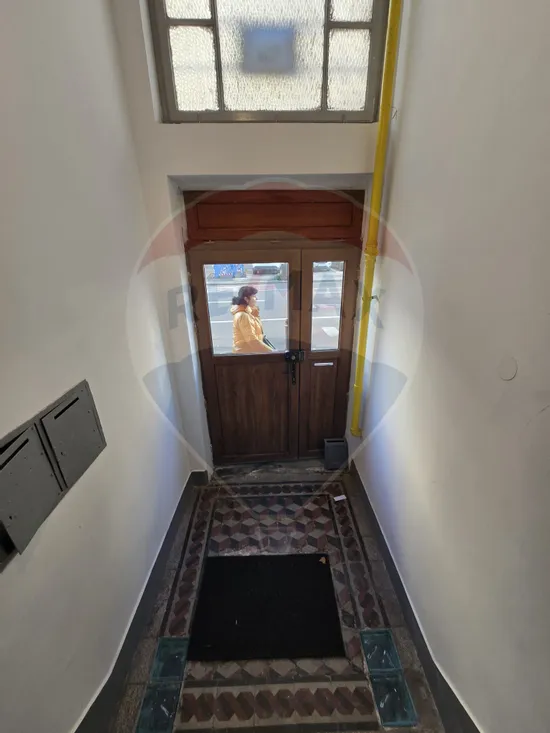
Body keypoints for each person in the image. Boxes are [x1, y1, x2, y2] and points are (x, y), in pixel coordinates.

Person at [231, 286, 274, 354]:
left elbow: (258, 332)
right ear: (246, 299)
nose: (256, 298)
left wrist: (255, 314)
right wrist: (272, 352)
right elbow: (252, 341)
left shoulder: (248, 313)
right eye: (254, 296)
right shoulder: (243, 316)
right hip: (246, 355)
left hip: (249, 353)